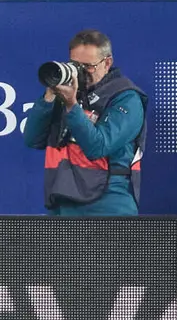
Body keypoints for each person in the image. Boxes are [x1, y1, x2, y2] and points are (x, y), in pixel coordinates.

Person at [23, 30, 146, 216]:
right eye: (75, 65)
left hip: (109, 205)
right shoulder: (66, 94)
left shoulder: (126, 98)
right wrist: (49, 97)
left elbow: (98, 146)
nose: (81, 73)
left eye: (88, 67)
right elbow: (32, 139)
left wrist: (72, 106)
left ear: (107, 62)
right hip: (64, 200)